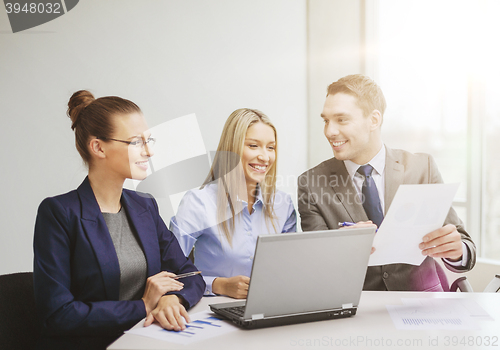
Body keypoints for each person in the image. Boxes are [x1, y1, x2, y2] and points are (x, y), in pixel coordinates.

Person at [33, 90, 205, 349]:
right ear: (98, 147)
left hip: (150, 341)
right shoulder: (58, 213)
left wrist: (173, 299)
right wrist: (143, 306)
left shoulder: (144, 206)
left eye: (149, 140)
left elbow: (190, 274)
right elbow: (58, 314)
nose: (148, 152)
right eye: (136, 142)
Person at [297, 74, 476, 292]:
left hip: (422, 306)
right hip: (357, 309)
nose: (329, 131)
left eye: (341, 119)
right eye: (326, 120)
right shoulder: (312, 183)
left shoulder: (422, 167)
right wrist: (343, 248)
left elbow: (465, 248)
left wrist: (457, 250)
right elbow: (316, 267)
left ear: (374, 120)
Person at [170, 108, 296, 299]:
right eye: (253, 146)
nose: (265, 157)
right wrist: (217, 285)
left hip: (270, 306)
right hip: (212, 312)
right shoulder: (198, 202)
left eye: (270, 147)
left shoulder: (283, 204)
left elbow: (291, 269)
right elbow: (170, 273)